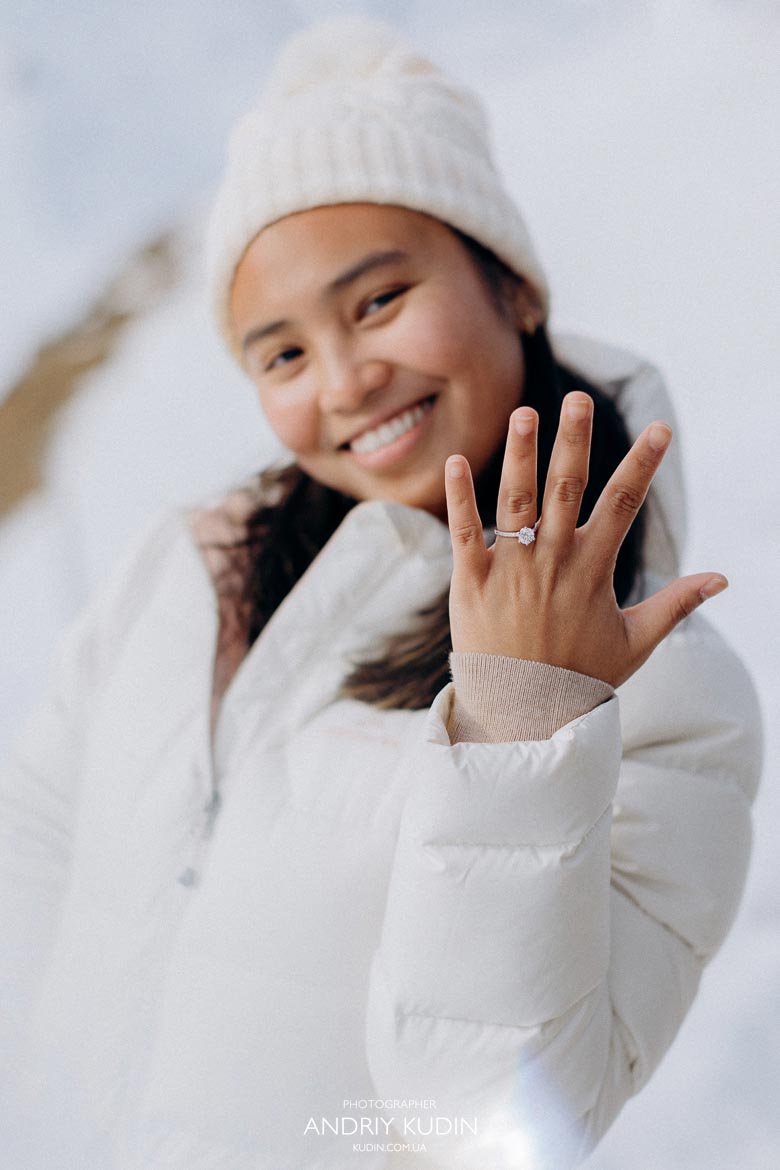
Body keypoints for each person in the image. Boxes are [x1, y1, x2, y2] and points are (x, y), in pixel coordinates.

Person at [0, 16, 763, 1170]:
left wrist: (524, 721)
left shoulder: (667, 688)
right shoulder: (189, 568)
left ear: (513, 287)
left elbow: (494, 1120)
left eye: (377, 301)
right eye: (283, 354)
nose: (346, 382)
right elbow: (35, 843)